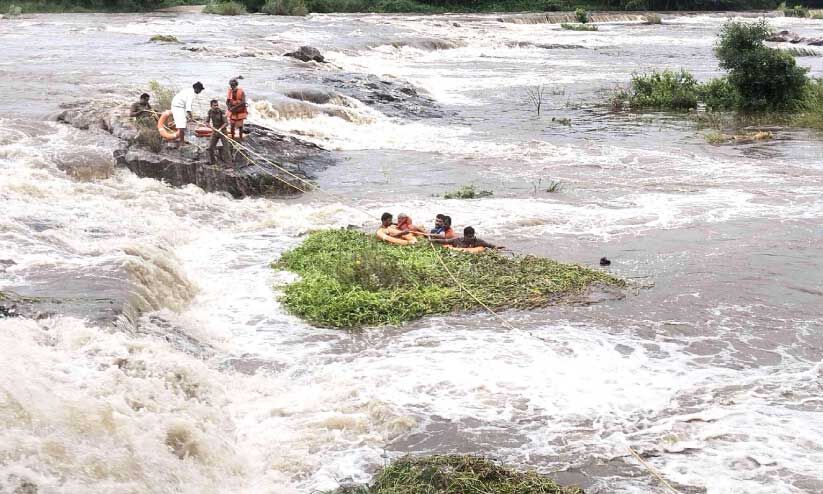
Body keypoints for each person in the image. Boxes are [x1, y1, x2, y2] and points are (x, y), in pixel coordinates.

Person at [170, 82, 204, 146]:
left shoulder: (188, 90)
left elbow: (188, 106)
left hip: (179, 106)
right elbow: (188, 107)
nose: (200, 91)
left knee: (183, 123)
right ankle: (181, 142)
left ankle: (182, 139)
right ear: (197, 88)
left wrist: (190, 117)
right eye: (200, 90)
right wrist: (191, 117)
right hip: (178, 107)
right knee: (181, 125)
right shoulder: (191, 94)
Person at [206, 99, 232, 167]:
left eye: (217, 105)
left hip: (223, 131)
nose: (216, 106)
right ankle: (212, 161)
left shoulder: (222, 112)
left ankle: (229, 164)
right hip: (215, 131)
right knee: (210, 147)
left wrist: (220, 129)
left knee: (226, 148)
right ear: (211, 106)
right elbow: (207, 121)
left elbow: (226, 123)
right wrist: (209, 125)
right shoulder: (210, 112)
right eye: (214, 105)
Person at [431, 226, 503, 249]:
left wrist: (498, 247)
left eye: (472, 236)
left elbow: (489, 245)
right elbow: (445, 241)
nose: (471, 238)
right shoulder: (457, 240)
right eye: (469, 236)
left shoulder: (478, 241)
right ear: (464, 235)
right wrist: (433, 240)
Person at [226, 77, 248, 141]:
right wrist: (229, 108)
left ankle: (241, 139)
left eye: (233, 85)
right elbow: (227, 101)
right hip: (232, 111)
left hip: (240, 110)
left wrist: (235, 107)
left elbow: (243, 102)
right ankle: (232, 138)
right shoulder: (230, 91)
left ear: (236, 85)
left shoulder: (241, 92)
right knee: (232, 125)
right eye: (231, 85)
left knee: (240, 126)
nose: (232, 87)